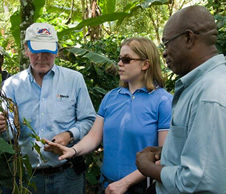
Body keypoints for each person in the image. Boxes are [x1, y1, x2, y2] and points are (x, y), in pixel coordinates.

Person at [43, 37, 173, 194]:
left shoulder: (163, 101)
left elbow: (163, 157)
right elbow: (94, 137)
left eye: (126, 59)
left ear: (145, 64)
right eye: (119, 59)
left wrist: (125, 183)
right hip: (107, 186)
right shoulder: (111, 97)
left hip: (141, 188)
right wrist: (73, 151)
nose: (119, 63)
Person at [0, 23, 96, 194]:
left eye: (47, 51)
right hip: (27, 178)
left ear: (56, 50)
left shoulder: (74, 79)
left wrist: (69, 135)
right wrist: (1, 127)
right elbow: (9, 132)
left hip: (67, 175)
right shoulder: (12, 85)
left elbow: (89, 120)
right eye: (36, 51)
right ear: (26, 49)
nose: (41, 57)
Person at [136, 5, 226, 194]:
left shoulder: (210, 94)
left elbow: (201, 182)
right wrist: (168, 151)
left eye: (167, 43)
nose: (164, 53)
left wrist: (148, 168)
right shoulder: (200, 84)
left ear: (188, 38)